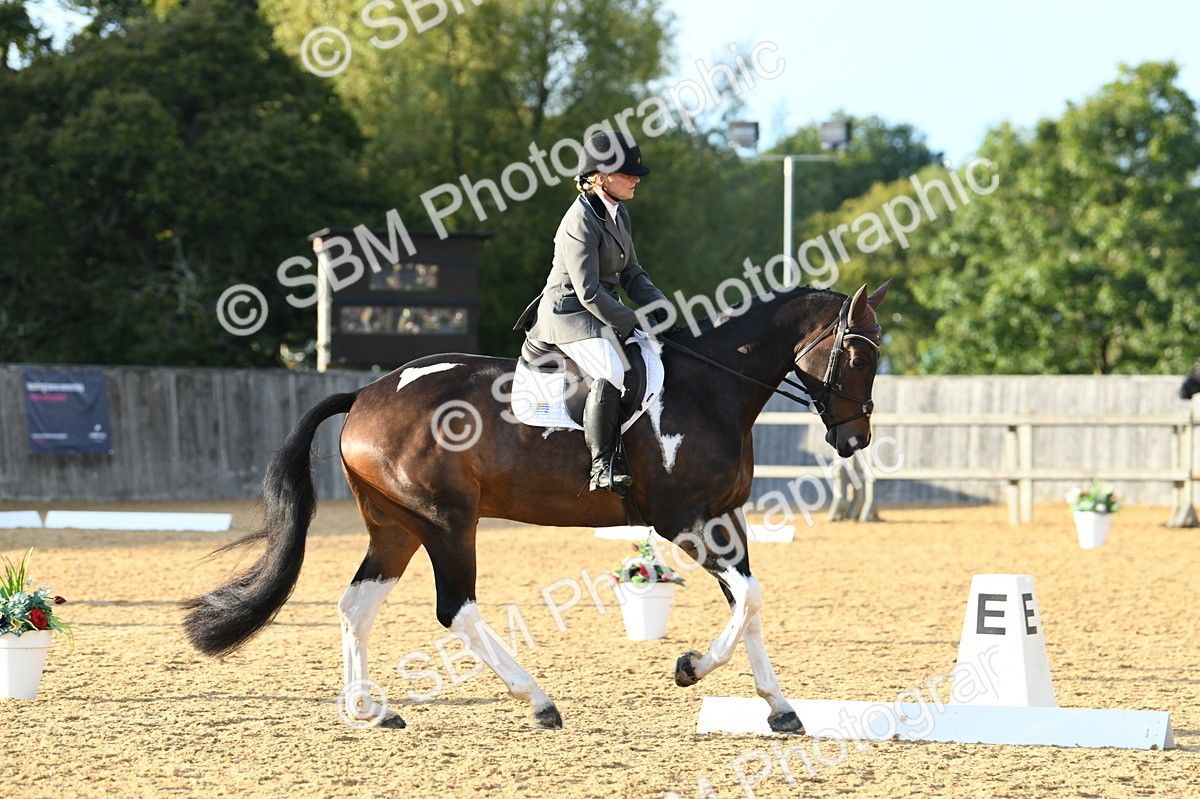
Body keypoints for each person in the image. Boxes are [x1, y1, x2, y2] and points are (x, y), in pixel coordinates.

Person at [514, 131, 671, 496]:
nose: (636, 178)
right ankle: (602, 464)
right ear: (600, 176)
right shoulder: (580, 219)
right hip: (568, 312)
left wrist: (661, 308)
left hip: (598, 309)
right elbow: (586, 290)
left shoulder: (619, 212)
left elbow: (632, 272)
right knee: (612, 370)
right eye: (627, 173)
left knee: (653, 353)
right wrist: (633, 321)